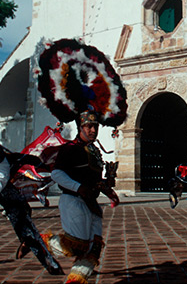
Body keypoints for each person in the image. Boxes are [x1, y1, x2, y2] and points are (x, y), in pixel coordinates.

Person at [43, 110, 112, 283]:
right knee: (76, 247)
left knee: (93, 249)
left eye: (95, 127)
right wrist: (78, 187)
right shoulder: (70, 149)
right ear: (80, 128)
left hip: (92, 205)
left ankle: (75, 281)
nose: (93, 131)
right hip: (73, 201)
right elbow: (57, 174)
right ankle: (42, 241)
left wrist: (108, 187)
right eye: (88, 127)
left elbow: (94, 179)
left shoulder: (94, 151)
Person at [0, 144, 63, 275]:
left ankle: (49, 262)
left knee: (24, 220)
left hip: (4, 182)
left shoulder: (8, 159)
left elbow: (16, 159)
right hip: (5, 178)